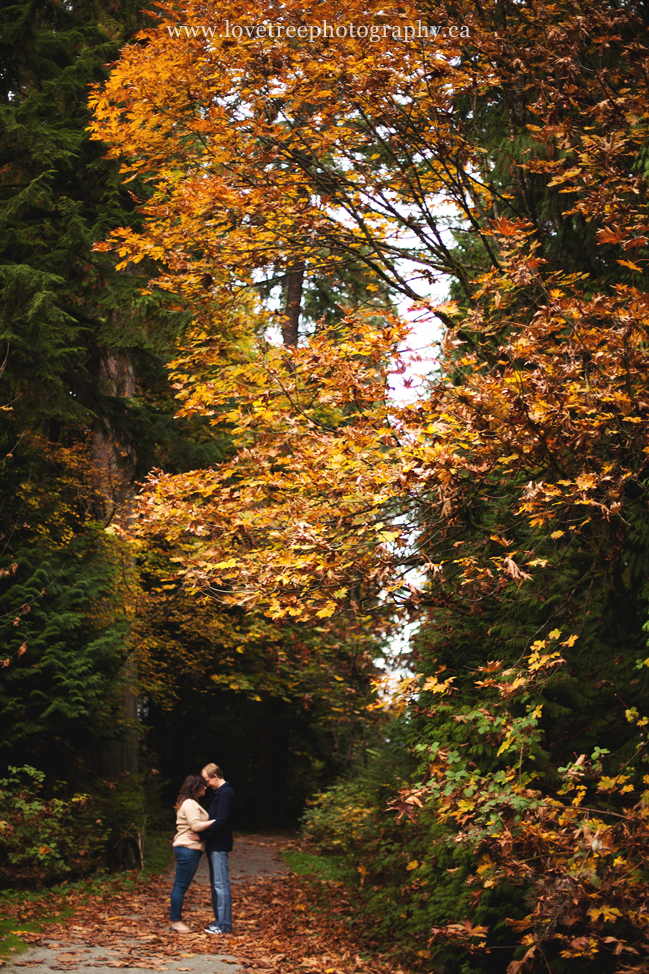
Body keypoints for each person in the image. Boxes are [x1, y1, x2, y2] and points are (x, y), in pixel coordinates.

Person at [169, 774, 214, 933]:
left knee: (181, 885)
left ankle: (176, 920)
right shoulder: (190, 804)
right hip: (188, 848)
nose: (206, 787)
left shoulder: (187, 803)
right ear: (196, 786)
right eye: (203, 785)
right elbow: (195, 825)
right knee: (180, 886)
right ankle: (175, 921)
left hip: (187, 848)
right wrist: (216, 821)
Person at [200, 763, 235, 935]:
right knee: (216, 885)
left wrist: (201, 835)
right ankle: (220, 921)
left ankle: (224, 925)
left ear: (215, 776)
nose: (206, 784)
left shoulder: (226, 793)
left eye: (207, 780)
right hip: (215, 844)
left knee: (221, 884)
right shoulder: (219, 793)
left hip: (219, 843)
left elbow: (221, 820)